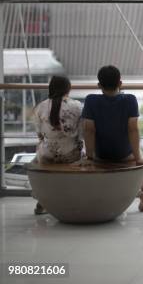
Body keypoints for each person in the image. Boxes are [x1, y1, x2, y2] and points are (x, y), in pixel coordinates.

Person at [82, 65, 143, 212]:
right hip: (125, 156)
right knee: (142, 159)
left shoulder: (90, 100)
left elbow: (89, 130)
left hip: (100, 156)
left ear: (99, 85)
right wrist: (138, 157)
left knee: (91, 157)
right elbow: (133, 129)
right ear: (120, 83)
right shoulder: (130, 100)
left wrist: (89, 157)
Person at [32, 75, 84, 214]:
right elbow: (81, 133)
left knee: (38, 156)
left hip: (47, 154)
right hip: (71, 154)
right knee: (82, 156)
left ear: (51, 88)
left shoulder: (40, 107)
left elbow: (39, 135)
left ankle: (41, 202)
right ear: (68, 89)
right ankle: (71, 201)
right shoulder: (78, 106)